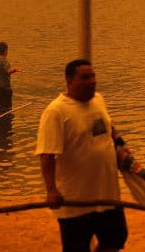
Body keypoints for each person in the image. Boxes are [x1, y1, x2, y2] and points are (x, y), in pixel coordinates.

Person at [36, 59, 128, 252]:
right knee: (76, 247)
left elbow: (109, 135)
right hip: (75, 201)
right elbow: (46, 154)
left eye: (93, 76)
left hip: (107, 194)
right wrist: (51, 190)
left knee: (117, 238)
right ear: (70, 81)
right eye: (85, 77)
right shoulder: (56, 111)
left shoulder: (99, 100)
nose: (92, 81)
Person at [0, 41, 22, 119]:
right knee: (6, 109)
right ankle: (6, 122)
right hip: (4, 88)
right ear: (6, 51)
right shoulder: (5, 61)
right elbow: (8, 71)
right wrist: (15, 69)